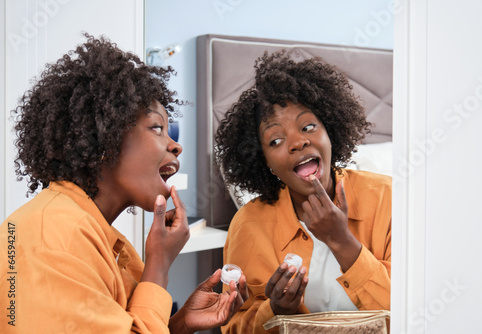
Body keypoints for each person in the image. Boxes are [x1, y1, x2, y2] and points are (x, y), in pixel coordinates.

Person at [0, 34, 248, 334]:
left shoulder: (92, 234)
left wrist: (179, 324)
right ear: (106, 139)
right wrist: (159, 265)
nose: (176, 146)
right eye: (157, 128)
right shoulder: (54, 244)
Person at [215, 51, 391, 333]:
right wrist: (275, 310)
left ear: (330, 131)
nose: (297, 142)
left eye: (308, 126)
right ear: (265, 162)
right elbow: (234, 327)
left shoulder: (389, 199)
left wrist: (341, 240)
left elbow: (410, 312)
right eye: (276, 141)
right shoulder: (248, 226)